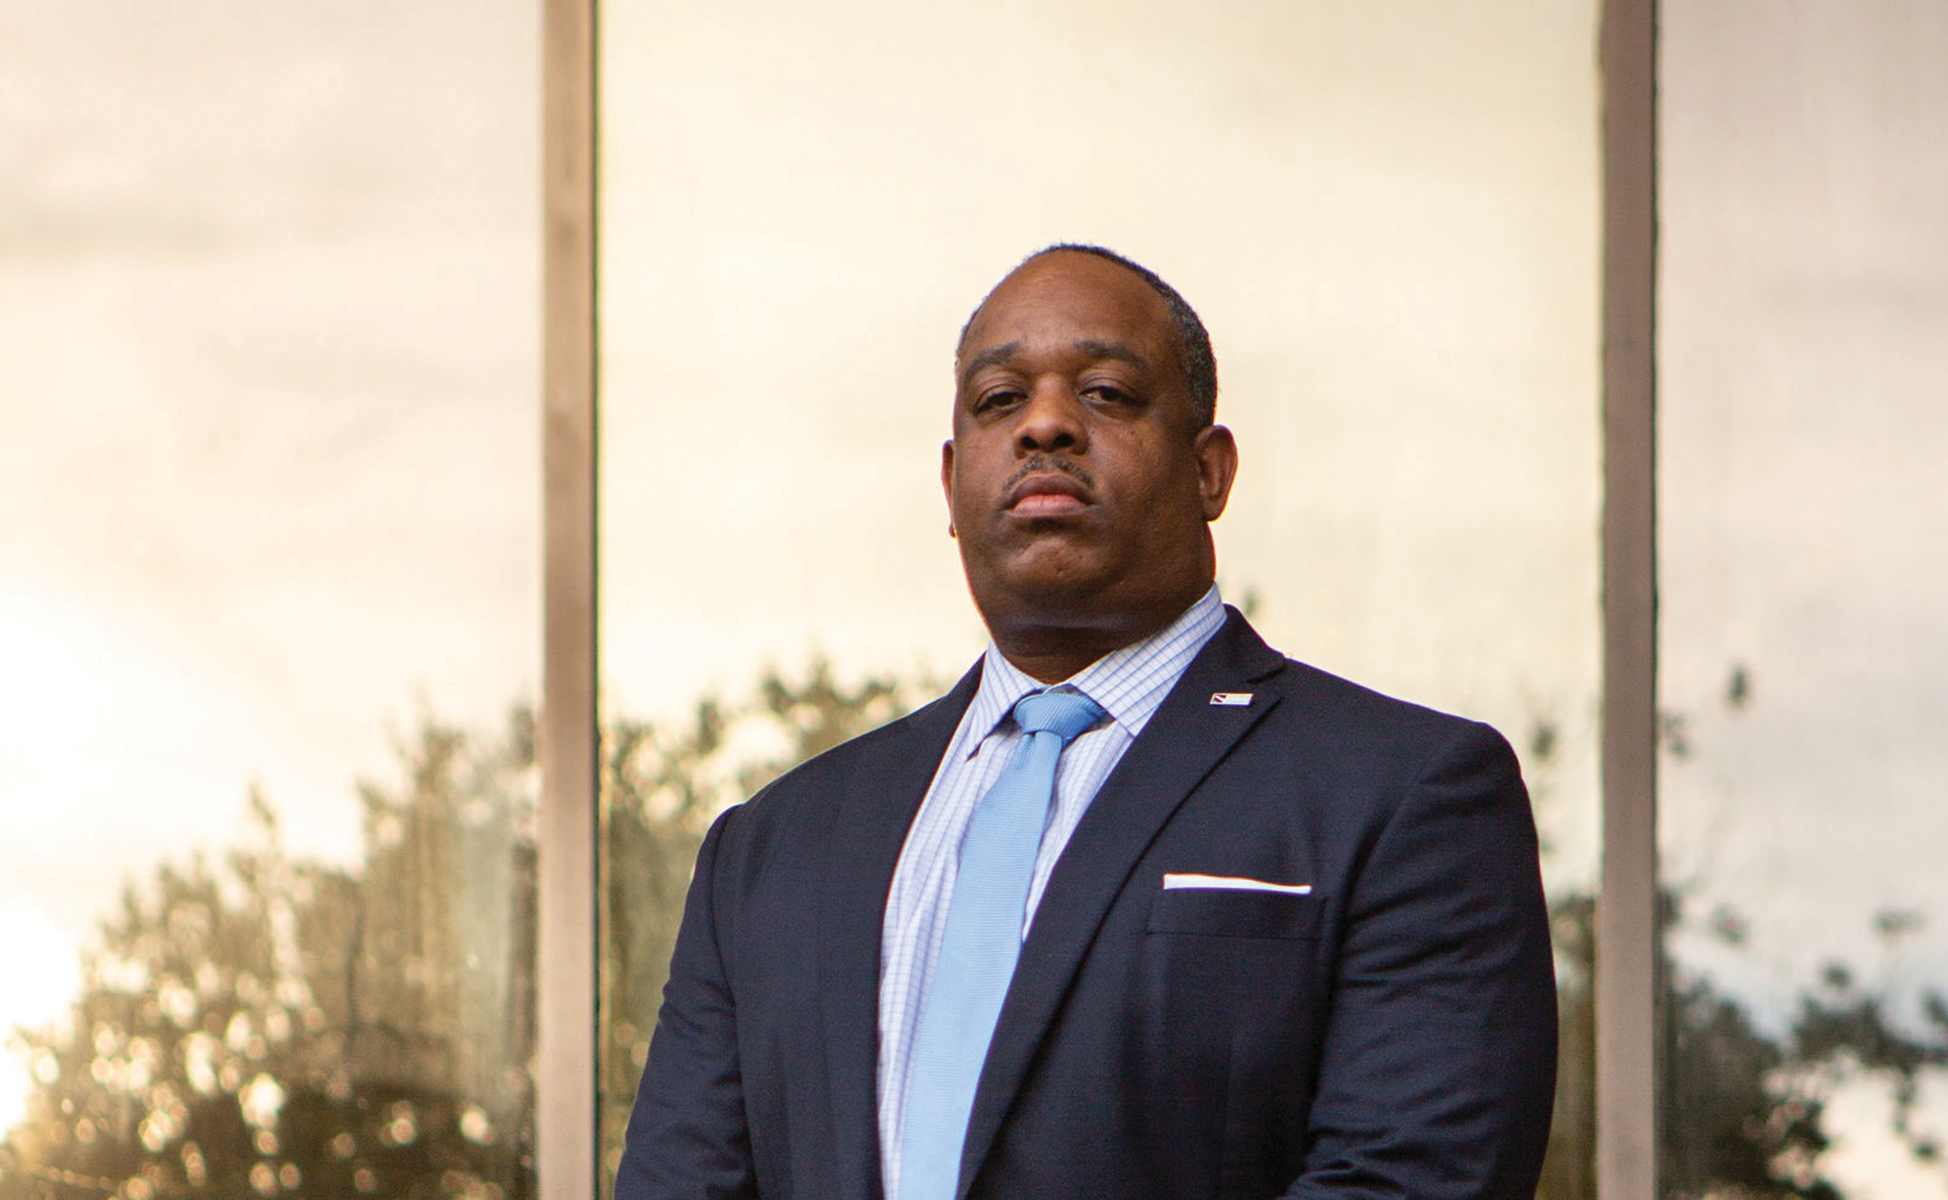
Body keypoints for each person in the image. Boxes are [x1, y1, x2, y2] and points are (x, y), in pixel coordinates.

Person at [615, 245, 1558, 1200]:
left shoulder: (1405, 794)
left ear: (1210, 473)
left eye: (1105, 393)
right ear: (949, 487)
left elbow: (1410, 1181)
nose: (1047, 424)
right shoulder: (773, 848)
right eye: (998, 400)